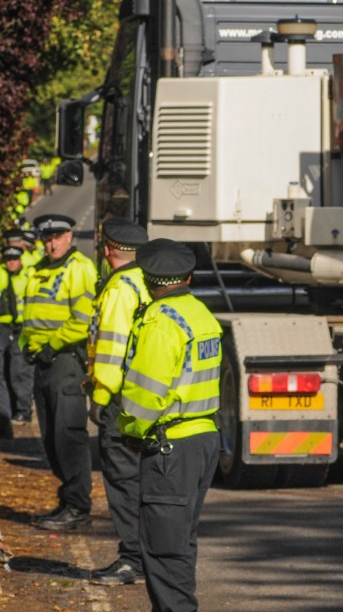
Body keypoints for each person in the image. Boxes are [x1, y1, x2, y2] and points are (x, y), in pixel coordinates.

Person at [119, 238, 221, 612]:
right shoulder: (200, 314)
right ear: (188, 277)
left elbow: (146, 395)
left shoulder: (161, 323)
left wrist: (129, 430)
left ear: (148, 279)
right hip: (202, 438)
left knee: (163, 550)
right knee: (179, 543)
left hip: (169, 448)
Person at [20, 213, 98, 530]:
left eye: (57, 237)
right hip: (42, 360)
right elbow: (31, 312)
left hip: (65, 359)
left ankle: (78, 507)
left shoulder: (80, 268)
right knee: (51, 437)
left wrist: (52, 344)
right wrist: (28, 342)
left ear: (69, 236)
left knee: (68, 435)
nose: (52, 244)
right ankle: (67, 501)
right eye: (47, 238)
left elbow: (81, 319)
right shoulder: (39, 269)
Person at [88, 218, 151, 587]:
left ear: (108, 249)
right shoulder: (147, 282)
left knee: (123, 481)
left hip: (119, 397)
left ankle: (132, 559)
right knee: (143, 481)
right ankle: (148, 555)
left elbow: (111, 349)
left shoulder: (118, 289)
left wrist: (99, 396)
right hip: (145, 395)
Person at [0, 245, 32, 436]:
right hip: (3, 327)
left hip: (22, 328)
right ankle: (6, 413)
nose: (11, 263)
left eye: (14, 259)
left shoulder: (28, 276)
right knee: (3, 371)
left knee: (19, 370)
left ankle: (23, 410)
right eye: (7, 260)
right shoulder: (3, 276)